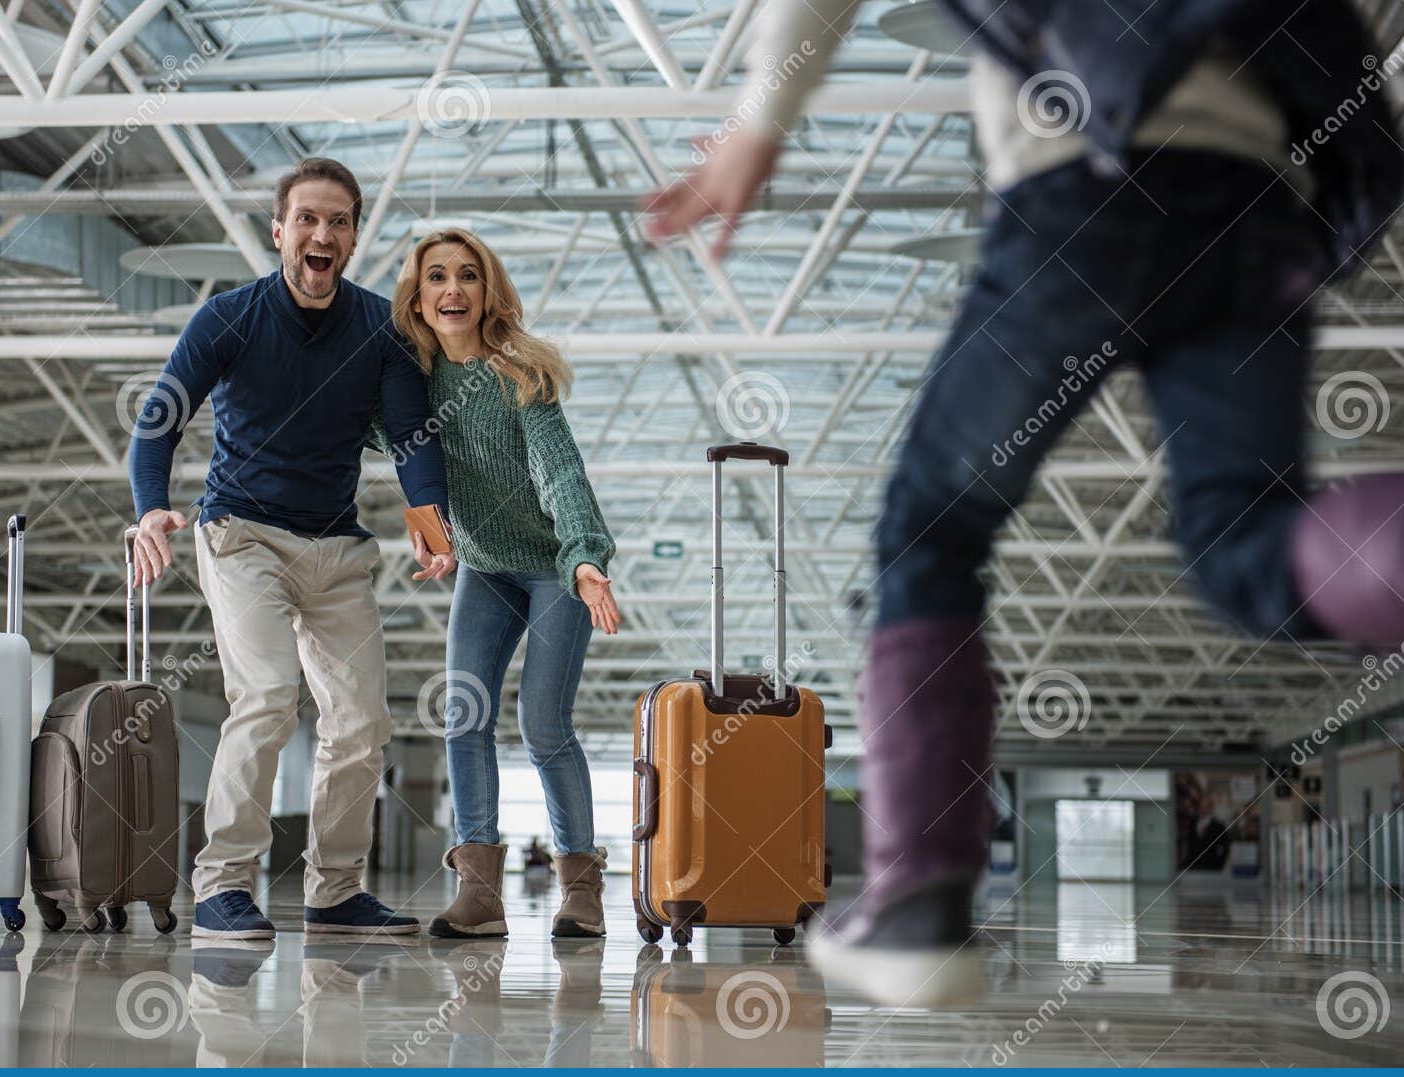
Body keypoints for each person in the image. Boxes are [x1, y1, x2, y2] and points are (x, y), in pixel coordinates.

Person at [643, 0, 1403, 1006]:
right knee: (1245, 548)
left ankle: (917, 908)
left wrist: (760, 122)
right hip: (1256, 202)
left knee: (932, 529)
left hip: (1084, 183)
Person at [129, 157, 457, 942]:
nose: (322, 233)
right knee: (270, 694)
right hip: (241, 535)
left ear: (351, 238)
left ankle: (336, 890)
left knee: (361, 719)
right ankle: (221, 885)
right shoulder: (230, 319)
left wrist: (430, 517)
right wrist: (149, 512)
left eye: (338, 221)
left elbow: (412, 434)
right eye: (307, 219)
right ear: (279, 231)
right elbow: (158, 419)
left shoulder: (381, 328)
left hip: (336, 550)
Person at [388, 228, 621, 940]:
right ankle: (480, 893)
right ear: (419, 300)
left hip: (554, 567)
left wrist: (584, 557)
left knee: (543, 724)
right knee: (464, 714)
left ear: (487, 294)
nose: (452, 289)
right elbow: (392, 453)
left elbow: (560, 471)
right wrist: (428, 532)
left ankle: (580, 886)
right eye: (436, 278)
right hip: (486, 571)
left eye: (467, 276)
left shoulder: (523, 378)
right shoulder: (409, 389)